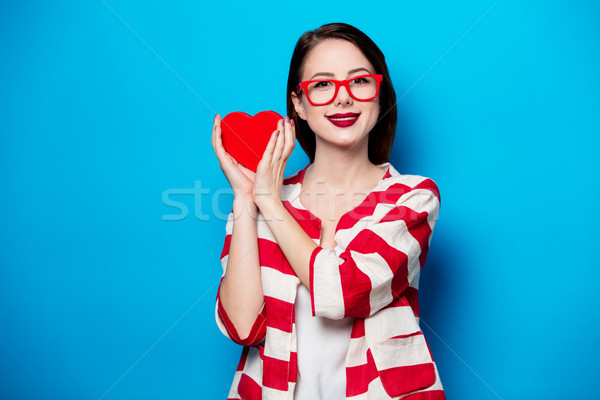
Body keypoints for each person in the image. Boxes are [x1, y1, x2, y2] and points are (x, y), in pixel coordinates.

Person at [211, 22, 445, 400]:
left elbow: (345, 292)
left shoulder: (412, 198)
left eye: (360, 81)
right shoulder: (263, 199)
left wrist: (268, 201)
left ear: (380, 95)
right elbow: (242, 327)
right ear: (298, 105)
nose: (343, 98)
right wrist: (245, 199)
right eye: (322, 85)